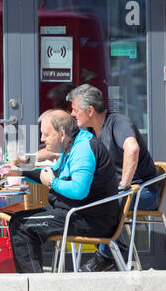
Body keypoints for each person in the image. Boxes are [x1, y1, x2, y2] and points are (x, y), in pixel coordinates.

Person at [2, 110, 119, 273]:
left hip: (88, 218)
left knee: (22, 227)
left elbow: (78, 190)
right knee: (18, 219)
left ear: (62, 134)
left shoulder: (83, 149)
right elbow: (52, 174)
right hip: (76, 212)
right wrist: (21, 171)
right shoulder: (73, 144)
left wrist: (52, 182)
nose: (42, 139)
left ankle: (33, 286)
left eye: (46, 135)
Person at [68, 84, 160, 272]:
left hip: (143, 191)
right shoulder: (90, 132)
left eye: (75, 110)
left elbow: (132, 148)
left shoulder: (118, 123)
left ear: (90, 110)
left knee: (104, 203)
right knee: (78, 199)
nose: (72, 114)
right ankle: (116, 247)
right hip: (117, 194)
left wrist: (123, 187)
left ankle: (107, 254)